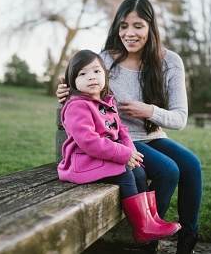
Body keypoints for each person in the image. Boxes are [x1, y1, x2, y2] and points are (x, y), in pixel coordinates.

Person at [57, 0, 203, 254]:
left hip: (153, 135)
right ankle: (148, 239)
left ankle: (187, 240)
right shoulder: (103, 61)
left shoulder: (169, 62)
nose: (129, 33)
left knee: (191, 164)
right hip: (118, 140)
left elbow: (180, 118)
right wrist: (67, 93)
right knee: (168, 170)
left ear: (150, 27)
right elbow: (84, 89)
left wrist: (150, 110)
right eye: (123, 26)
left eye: (138, 26)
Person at [57, 49, 181, 246]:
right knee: (124, 172)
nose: (91, 77)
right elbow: (89, 142)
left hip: (102, 157)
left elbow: (121, 130)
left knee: (138, 170)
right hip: (84, 161)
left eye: (97, 71)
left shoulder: (106, 102)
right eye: (83, 73)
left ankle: (151, 219)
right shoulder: (77, 106)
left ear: (105, 75)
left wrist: (132, 153)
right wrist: (123, 155)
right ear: (72, 81)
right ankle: (141, 228)